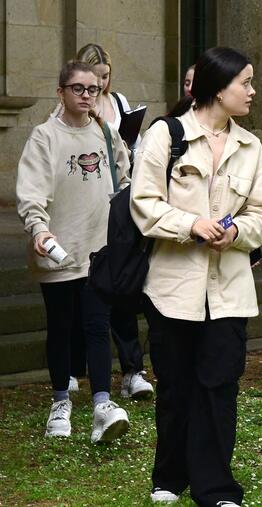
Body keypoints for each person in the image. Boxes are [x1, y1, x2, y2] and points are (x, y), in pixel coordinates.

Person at [130, 46, 262, 506]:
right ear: (218, 87)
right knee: (175, 386)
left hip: (230, 290)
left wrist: (234, 233)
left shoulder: (250, 148)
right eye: (245, 83)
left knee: (219, 386)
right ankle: (169, 476)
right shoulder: (164, 136)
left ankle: (214, 487)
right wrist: (190, 224)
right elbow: (144, 205)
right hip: (172, 287)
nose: (252, 91)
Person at [16, 60, 131, 443]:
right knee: (62, 327)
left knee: (98, 326)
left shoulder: (104, 131)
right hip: (58, 251)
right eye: (78, 89)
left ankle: (102, 403)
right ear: (61, 91)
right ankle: (60, 402)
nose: (86, 95)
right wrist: (39, 228)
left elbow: (124, 175)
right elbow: (32, 192)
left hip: (99, 250)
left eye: (93, 89)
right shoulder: (44, 136)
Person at [61, 42, 153, 399]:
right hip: (82, 209)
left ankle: (132, 370)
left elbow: (138, 148)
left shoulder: (118, 104)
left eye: (105, 78)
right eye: (93, 79)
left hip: (117, 206)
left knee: (121, 287)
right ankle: (72, 368)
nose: (98, 86)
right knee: (81, 288)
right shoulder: (70, 110)